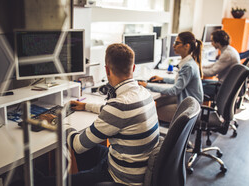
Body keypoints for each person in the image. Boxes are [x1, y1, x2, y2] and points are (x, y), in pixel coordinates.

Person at [38, 43, 159, 186]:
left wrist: (57, 121)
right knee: (87, 147)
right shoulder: (143, 93)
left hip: (120, 178)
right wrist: (86, 106)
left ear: (107, 70)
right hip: (131, 167)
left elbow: (77, 145)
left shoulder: (119, 106)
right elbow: (120, 115)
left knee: (48, 180)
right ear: (133, 68)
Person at [138, 31, 203, 123]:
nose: (173, 45)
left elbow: (174, 90)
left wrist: (147, 85)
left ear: (187, 46)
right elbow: (180, 81)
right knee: (158, 102)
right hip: (189, 100)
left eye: (177, 43)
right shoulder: (189, 62)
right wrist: (163, 79)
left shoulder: (188, 66)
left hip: (189, 107)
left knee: (152, 111)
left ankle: (167, 134)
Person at [202, 30, 240, 98]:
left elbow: (211, 72)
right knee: (200, 82)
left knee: (194, 87)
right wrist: (201, 67)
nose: (211, 43)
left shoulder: (227, 54)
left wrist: (197, 71)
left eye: (212, 41)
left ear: (218, 42)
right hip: (227, 84)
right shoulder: (228, 50)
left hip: (223, 87)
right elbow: (216, 64)